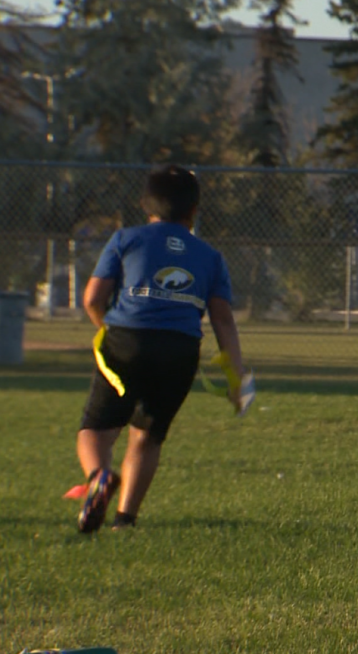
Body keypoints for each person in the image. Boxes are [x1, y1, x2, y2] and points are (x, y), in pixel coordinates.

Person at [76, 164, 245, 533]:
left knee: (96, 427)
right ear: (194, 210)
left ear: (145, 205)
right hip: (180, 349)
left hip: (126, 340)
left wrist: (108, 331)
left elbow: (92, 298)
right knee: (149, 435)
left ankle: (99, 477)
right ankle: (125, 520)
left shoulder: (126, 239)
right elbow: (223, 321)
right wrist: (236, 379)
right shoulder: (210, 256)